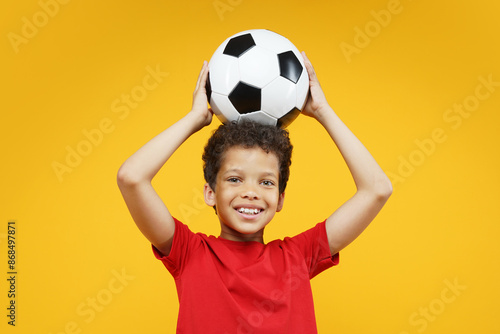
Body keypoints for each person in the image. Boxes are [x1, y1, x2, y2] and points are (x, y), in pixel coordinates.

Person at [117, 52, 393, 333]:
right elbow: (131, 177)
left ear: (280, 199)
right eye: (235, 179)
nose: (251, 192)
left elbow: (377, 189)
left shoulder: (298, 257)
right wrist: (194, 119)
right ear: (210, 193)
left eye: (266, 182)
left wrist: (323, 111)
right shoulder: (189, 253)